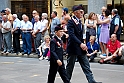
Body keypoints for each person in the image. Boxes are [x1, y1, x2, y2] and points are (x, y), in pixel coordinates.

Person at [66, 4, 101, 83]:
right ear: (75, 13)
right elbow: (71, 35)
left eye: (82, 12)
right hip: (73, 47)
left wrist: (84, 44)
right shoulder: (71, 22)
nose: (82, 13)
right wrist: (80, 43)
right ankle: (66, 81)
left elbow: (81, 36)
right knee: (70, 67)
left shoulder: (80, 22)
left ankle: (91, 81)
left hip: (81, 47)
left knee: (86, 65)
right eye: (81, 12)